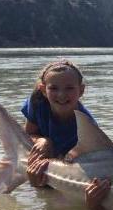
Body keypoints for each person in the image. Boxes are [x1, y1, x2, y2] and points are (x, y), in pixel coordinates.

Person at [23, 59, 96, 187]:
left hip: (67, 169)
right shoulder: (37, 103)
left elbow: (88, 161)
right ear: (43, 90)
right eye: (54, 88)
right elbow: (29, 134)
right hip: (43, 159)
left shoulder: (87, 123)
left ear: (81, 90)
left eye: (69, 88)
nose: (62, 95)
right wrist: (42, 140)